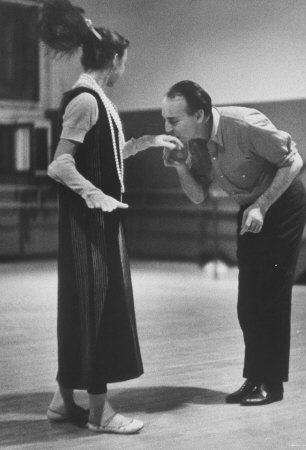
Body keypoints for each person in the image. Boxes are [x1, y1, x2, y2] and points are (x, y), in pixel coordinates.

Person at [38, 0, 182, 434]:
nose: (125, 68)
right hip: (90, 223)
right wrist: (97, 197)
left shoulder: (98, 99)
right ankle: (100, 413)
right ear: (115, 59)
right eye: (125, 61)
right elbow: (60, 164)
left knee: (81, 309)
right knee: (96, 312)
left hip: (101, 220)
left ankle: (64, 402)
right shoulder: (85, 99)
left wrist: (149, 141)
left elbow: (105, 155)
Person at [162, 80, 306, 406]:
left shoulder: (244, 124)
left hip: (281, 204)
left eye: (174, 120)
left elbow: (293, 160)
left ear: (199, 115)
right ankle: (254, 379)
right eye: (165, 120)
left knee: (271, 295)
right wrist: (180, 167)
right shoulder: (195, 144)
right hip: (250, 209)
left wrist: (262, 205)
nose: (167, 127)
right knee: (247, 303)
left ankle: (272, 385)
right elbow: (199, 196)